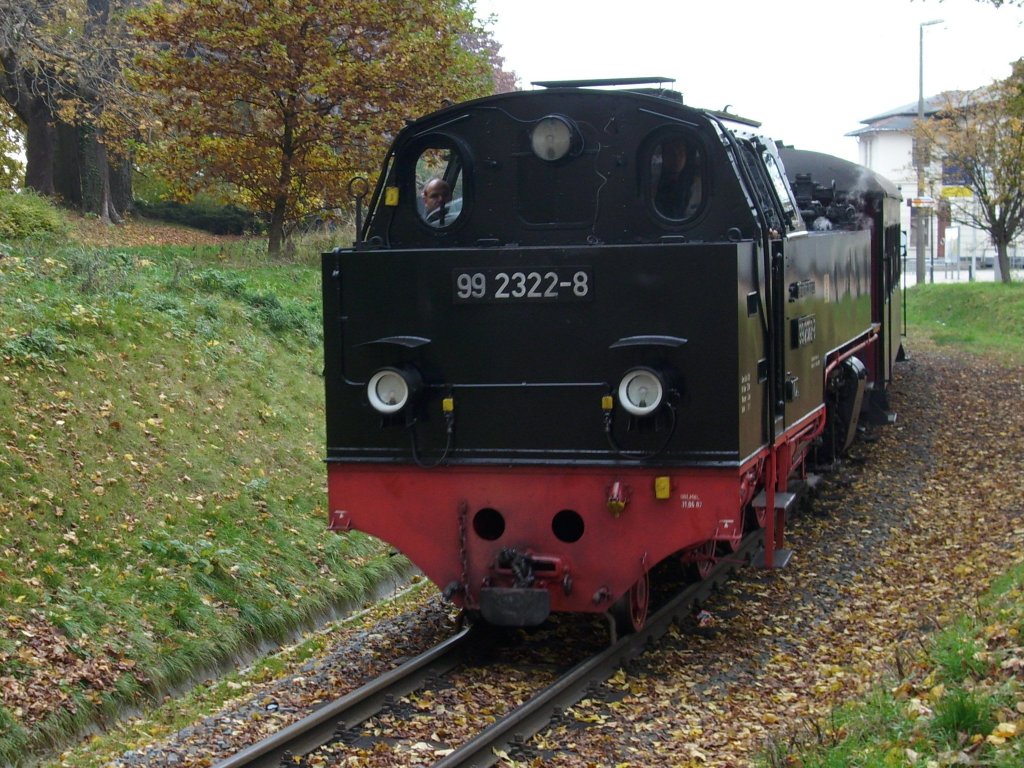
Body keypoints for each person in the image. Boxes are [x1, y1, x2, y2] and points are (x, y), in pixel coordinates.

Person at [653, 137, 701, 219]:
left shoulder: (694, 184)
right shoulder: (653, 182)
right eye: (671, 153)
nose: (676, 158)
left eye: (681, 153)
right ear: (663, 156)